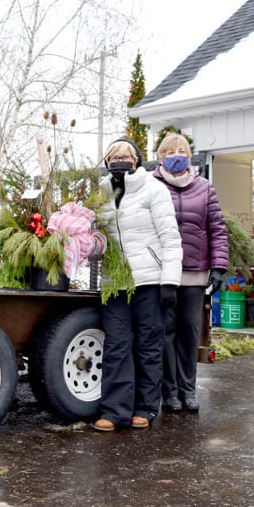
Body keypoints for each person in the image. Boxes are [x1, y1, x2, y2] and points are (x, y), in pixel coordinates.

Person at [93, 138, 182, 431]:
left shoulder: (154, 190)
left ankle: (145, 407)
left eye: (125, 155)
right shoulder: (101, 195)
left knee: (148, 345)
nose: (119, 159)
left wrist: (170, 281)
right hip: (115, 282)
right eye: (113, 155)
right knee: (116, 345)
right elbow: (96, 237)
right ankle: (114, 410)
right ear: (106, 162)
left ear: (138, 159)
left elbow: (170, 237)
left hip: (149, 281)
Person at [153, 133, 228, 412]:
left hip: (195, 273)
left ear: (190, 156)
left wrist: (219, 266)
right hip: (163, 275)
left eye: (182, 150)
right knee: (165, 332)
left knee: (189, 331)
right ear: (160, 157)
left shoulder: (204, 188)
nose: (177, 155)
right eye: (170, 151)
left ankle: (188, 390)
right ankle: (169, 392)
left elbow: (217, 229)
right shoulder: (153, 186)